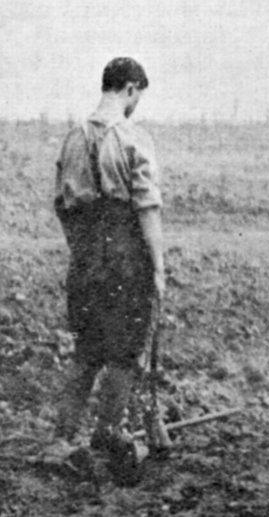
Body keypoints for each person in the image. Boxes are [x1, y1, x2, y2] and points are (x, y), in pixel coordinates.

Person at [53, 57, 165, 451]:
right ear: (130, 89)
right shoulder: (135, 138)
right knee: (124, 349)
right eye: (138, 96)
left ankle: (62, 438)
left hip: (85, 256)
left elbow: (62, 205)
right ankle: (109, 431)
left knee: (87, 349)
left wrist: (83, 250)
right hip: (126, 256)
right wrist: (158, 266)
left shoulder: (72, 138)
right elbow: (147, 207)